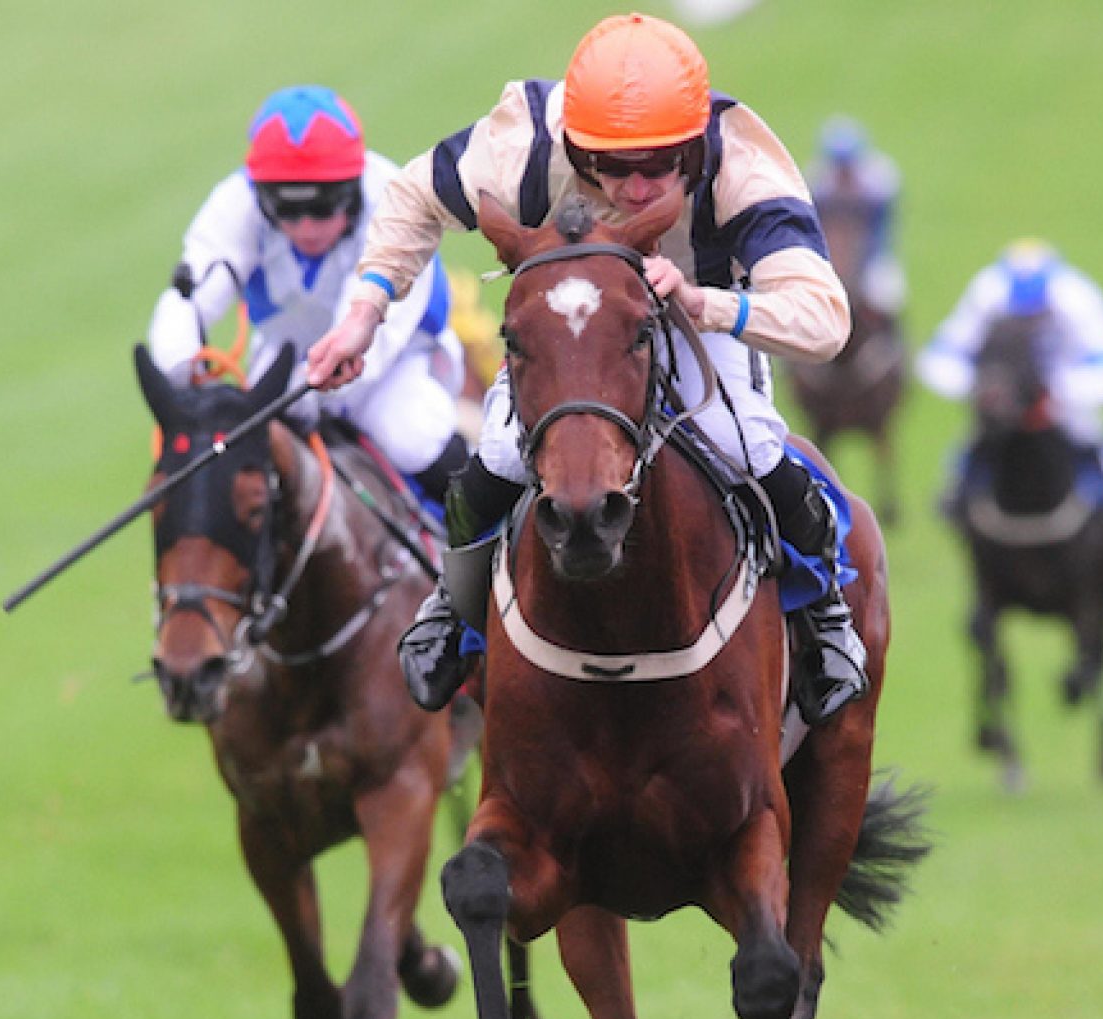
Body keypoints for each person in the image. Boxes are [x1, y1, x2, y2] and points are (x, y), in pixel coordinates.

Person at [306, 13, 867, 723]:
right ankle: (454, 607)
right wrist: (365, 309)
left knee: (747, 441)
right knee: (502, 453)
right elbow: (415, 197)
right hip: (578, 321)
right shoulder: (521, 144)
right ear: (576, 145)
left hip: (696, 309)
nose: (636, 188)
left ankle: (823, 614)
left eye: (661, 166)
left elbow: (826, 318)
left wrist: (708, 303)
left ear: (694, 149)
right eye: (614, 167)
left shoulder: (742, 165)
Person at [147, 86, 468, 515]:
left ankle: (484, 549)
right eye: (286, 210)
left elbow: (374, 333)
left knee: (411, 436)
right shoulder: (235, 203)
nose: (306, 226)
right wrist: (180, 374)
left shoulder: (395, 201)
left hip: (391, 363)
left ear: (352, 190)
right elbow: (190, 295)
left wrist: (305, 386)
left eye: (324, 206)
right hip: (284, 363)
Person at [918, 240, 1103, 515]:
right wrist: (979, 386)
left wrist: (1059, 393)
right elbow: (940, 355)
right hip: (1001, 411)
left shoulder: (1077, 299)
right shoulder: (988, 293)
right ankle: (956, 500)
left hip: (1063, 408)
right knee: (966, 456)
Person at [805, 116, 905, 317]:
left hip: (871, 252)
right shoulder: (818, 187)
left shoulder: (879, 187)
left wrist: (862, 265)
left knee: (886, 294)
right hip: (830, 253)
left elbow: (880, 232)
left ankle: (892, 343)